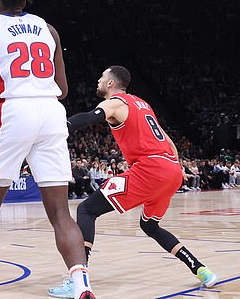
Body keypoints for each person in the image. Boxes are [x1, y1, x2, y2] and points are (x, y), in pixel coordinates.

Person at [0, 0, 94, 299]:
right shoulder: (49, 29)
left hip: (15, 111)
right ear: (25, 0)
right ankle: (82, 284)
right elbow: (64, 89)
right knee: (60, 212)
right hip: (52, 111)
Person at [48, 66, 216, 297]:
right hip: (171, 170)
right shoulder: (143, 104)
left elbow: (89, 118)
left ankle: (78, 279)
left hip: (150, 169)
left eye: (102, 77)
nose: (98, 80)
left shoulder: (117, 101)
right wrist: (175, 167)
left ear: (110, 83)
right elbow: (167, 140)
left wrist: (58, 127)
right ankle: (200, 269)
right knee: (149, 226)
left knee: (87, 210)